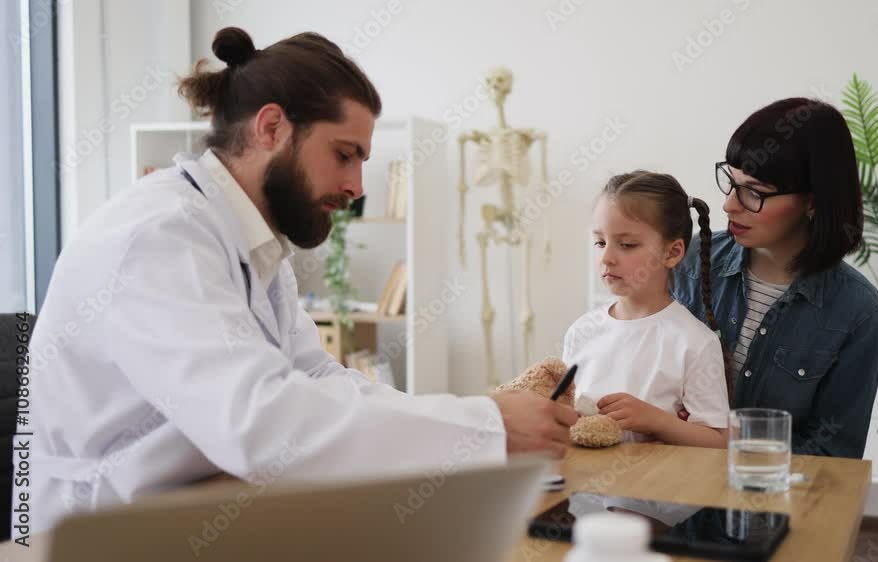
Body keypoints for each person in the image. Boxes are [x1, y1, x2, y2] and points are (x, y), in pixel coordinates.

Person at [23, 27, 577, 533]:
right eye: (344, 155)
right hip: (109, 530)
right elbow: (259, 424)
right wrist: (482, 427)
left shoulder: (254, 245)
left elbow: (317, 379)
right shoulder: (159, 236)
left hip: (205, 509)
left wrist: (474, 417)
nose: (357, 185)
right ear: (271, 128)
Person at [672, 98, 878, 458]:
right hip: (669, 499)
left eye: (754, 191)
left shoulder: (856, 310)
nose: (729, 205)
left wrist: (731, 443)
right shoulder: (691, 260)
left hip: (771, 504)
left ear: (813, 202)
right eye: (731, 180)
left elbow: (834, 454)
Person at [562, 171, 730, 448]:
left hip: (654, 487)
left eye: (627, 245)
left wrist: (657, 421)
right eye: (600, 242)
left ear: (672, 253)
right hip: (585, 485)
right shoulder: (582, 331)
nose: (607, 258)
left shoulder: (695, 342)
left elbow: (718, 441)